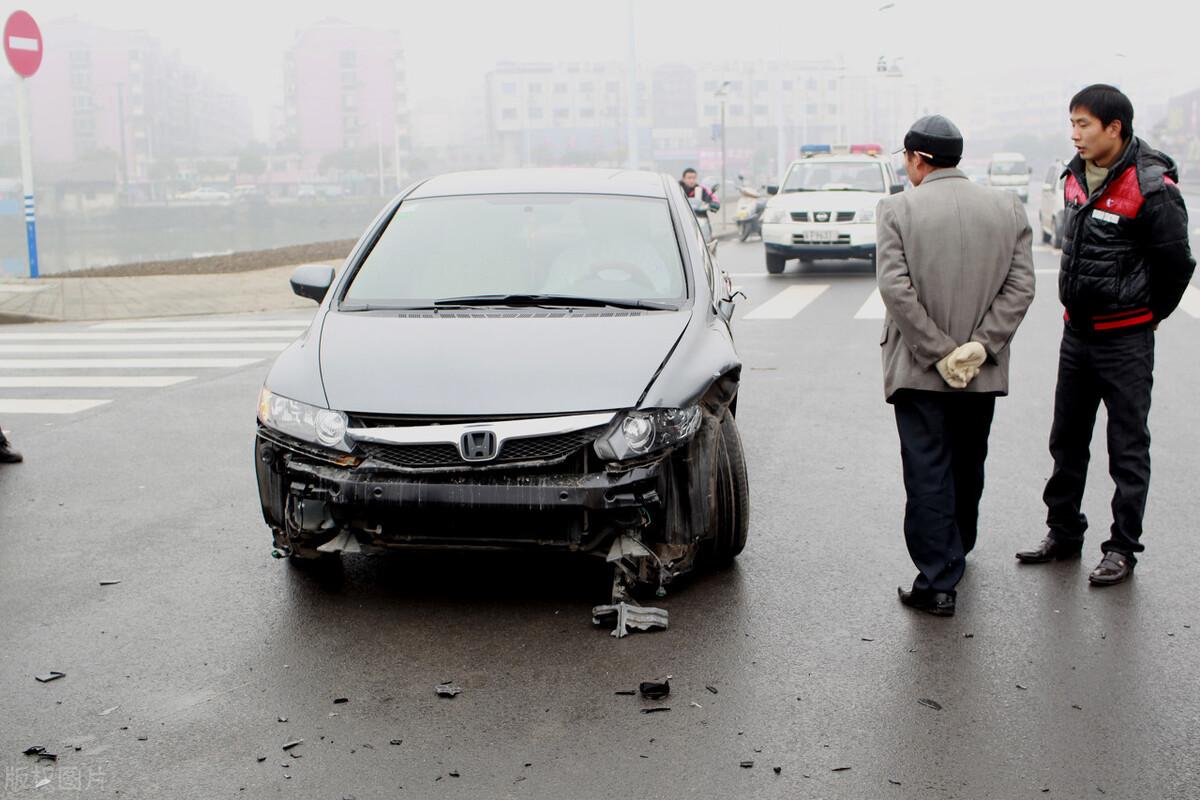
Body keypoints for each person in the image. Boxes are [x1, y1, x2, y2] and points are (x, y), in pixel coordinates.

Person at [1016, 85, 1196, 585]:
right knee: (1066, 439)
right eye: (1071, 124)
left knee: (1127, 447)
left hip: (1125, 341)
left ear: (1114, 128)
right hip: (1077, 336)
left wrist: (1150, 315)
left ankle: (1121, 548)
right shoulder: (1074, 176)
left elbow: (1178, 264)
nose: (1074, 134)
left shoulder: (1151, 185)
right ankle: (1063, 532)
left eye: (1084, 125)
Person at [877, 115, 1036, 617]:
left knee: (927, 469)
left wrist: (938, 351)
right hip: (981, 372)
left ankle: (938, 580)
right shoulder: (1007, 207)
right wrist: (979, 348)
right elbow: (1021, 286)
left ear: (916, 158)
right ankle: (957, 548)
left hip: (920, 371)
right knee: (969, 462)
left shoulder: (897, 210)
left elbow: (896, 290)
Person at [680, 168, 719, 240]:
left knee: (709, 241)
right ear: (683, 178)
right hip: (681, 221)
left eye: (694, 178)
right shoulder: (677, 189)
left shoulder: (701, 189)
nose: (691, 180)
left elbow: (711, 198)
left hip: (700, 220)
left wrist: (714, 204)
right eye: (689, 178)